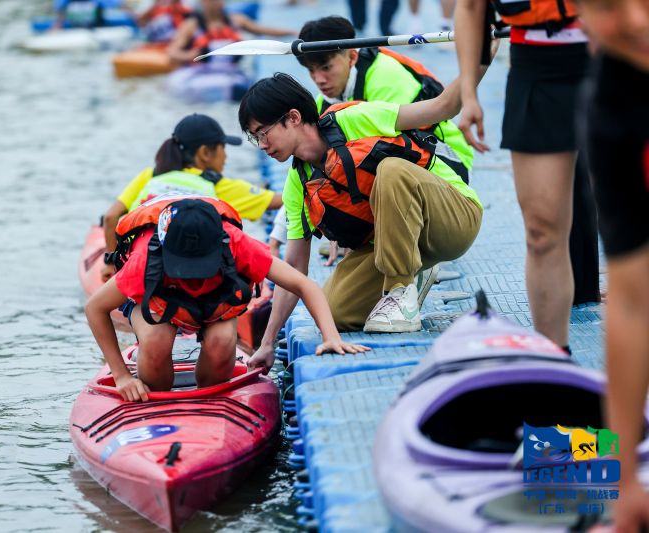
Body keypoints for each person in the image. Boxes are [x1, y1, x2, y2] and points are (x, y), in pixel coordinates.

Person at [238, 72, 488, 370]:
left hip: (453, 219)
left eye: (262, 132)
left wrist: (480, 57)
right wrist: (266, 344)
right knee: (334, 311)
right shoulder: (297, 184)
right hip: (391, 241)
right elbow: (293, 269)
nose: (262, 144)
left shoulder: (355, 119)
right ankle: (412, 274)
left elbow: (442, 107)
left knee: (392, 170)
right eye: (255, 138)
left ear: (292, 117)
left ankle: (399, 290)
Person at [85, 196, 370, 400]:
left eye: (200, 266)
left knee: (222, 341)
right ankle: (156, 397)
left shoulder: (237, 244)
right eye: (185, 267)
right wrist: (122, 375)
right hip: (160, 303)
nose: (192, 276)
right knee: (157, 340)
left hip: (214, 304)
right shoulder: (145, 259)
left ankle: (208, 398)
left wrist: (330, 336)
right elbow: (95, 308)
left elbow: (304, 284)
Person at [454, 0, 594, 353]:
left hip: (620, 56)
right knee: (542, 231)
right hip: (537, 65)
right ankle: (554, 362)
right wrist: (469, 93)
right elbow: (471, 7)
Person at [296, 16, 476, 265]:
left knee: (378, 160)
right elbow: (307, 173)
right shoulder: (323, 102)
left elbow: (392, 152)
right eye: (311, 70)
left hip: (446, 163)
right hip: (399, 168)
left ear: (351, 56)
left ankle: (409, 254)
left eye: (325, 67)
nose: (319, 79)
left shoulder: (386, 77)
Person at [576, 0, 649, 529]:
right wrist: (624, 488)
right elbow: (631, 299)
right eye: (606, 5)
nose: (636, 21)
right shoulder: (613, 104)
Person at [100, 114, 282, 282]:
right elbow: (278, 201)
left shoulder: (150, 175)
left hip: (137, 263)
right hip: (183, 266)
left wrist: (110, 262)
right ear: (204, 153)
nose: (225, 156)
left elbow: (110, 218)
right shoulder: (219, 186)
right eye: (222, 148)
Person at [164, 0, 295, 102]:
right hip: (200, 74)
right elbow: (172, 52)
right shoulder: (191, 25)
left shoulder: (235, 20)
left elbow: (264, 30)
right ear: (203, 2)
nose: (214, 4)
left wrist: (292, 32)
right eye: (209, 1)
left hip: (230, 73)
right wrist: (191, 55)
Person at [52, 0, 118, 29]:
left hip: (97, 28)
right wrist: (56, 28)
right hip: (76, 29)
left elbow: (119, 5)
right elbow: (60, 15)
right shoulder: (64, 1)